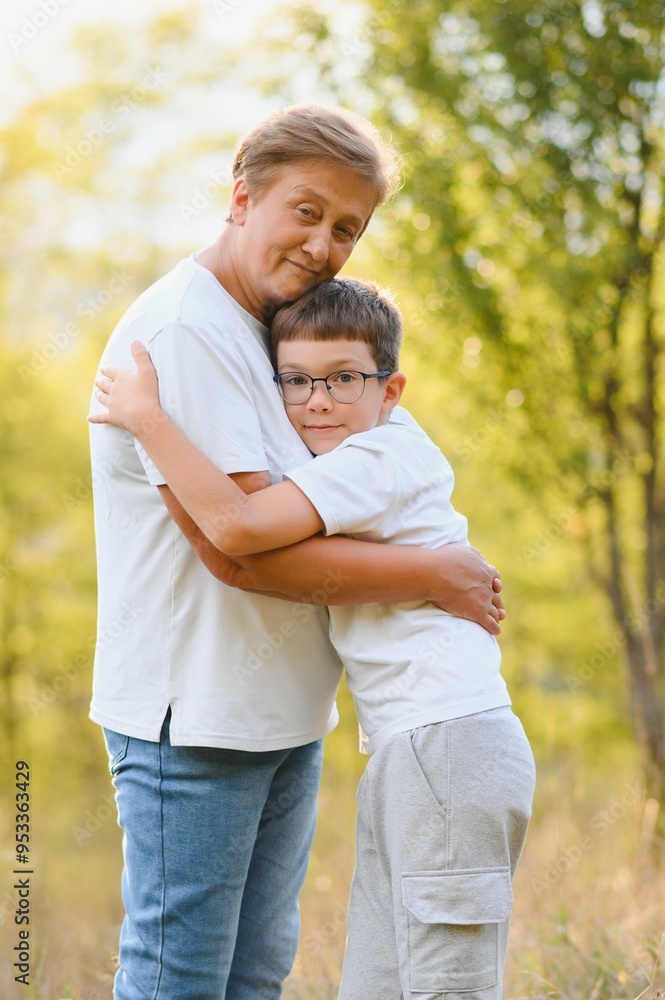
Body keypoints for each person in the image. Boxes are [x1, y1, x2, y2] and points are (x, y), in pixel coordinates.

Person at [88, 103, 506, 1000]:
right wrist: (432, 573)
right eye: (306, 212)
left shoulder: (277, 330)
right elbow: (236, 549)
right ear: (242, 198)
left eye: (347, 228)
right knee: (179, 978)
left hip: (279, 712)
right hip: (196, 715)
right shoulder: (188, 330)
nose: (323, 244)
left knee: (252, 977)